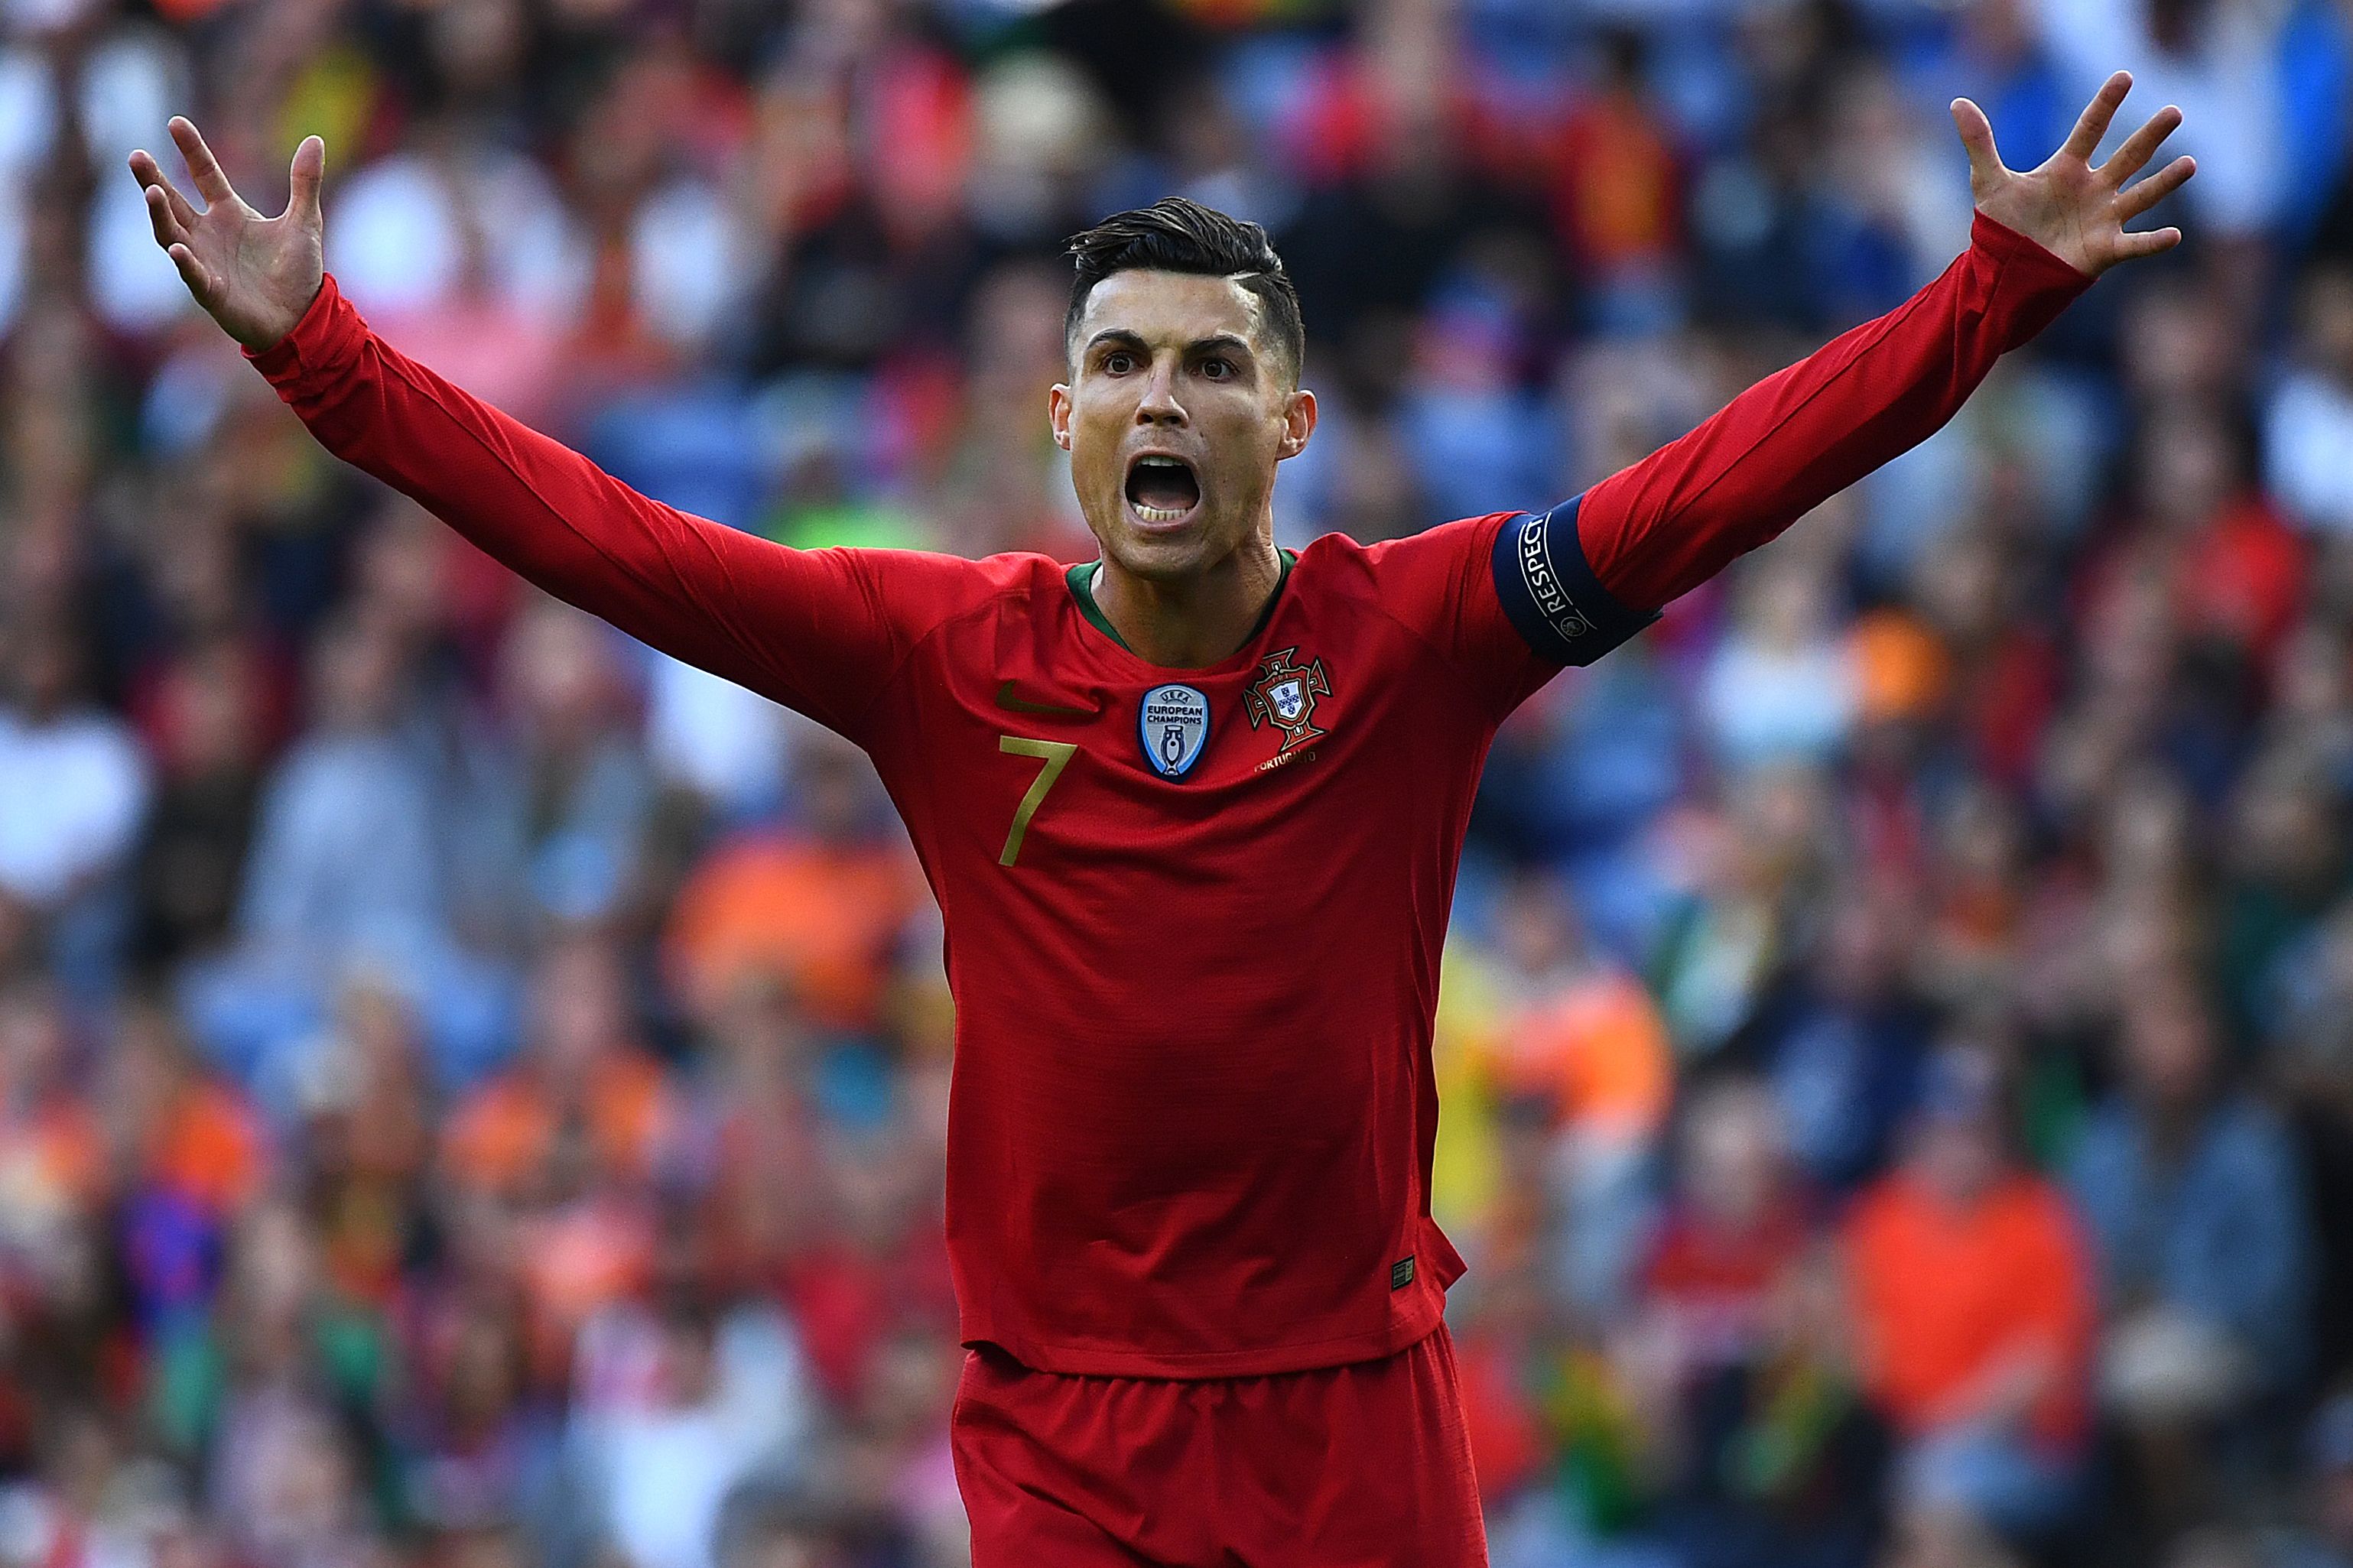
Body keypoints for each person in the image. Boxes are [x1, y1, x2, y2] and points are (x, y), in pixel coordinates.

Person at [128, 73, 2192, 1564]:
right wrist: (327, 361)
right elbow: (619, 546)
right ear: (1061, 423)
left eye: (1212, 366)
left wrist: (1984, 302)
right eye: (1118, 363)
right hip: (1069, 1431)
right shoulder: (936, 655)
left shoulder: (1426, 633)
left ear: (1287, 427)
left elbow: (1719, 482)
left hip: (1356, 1416)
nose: (1161, 400)